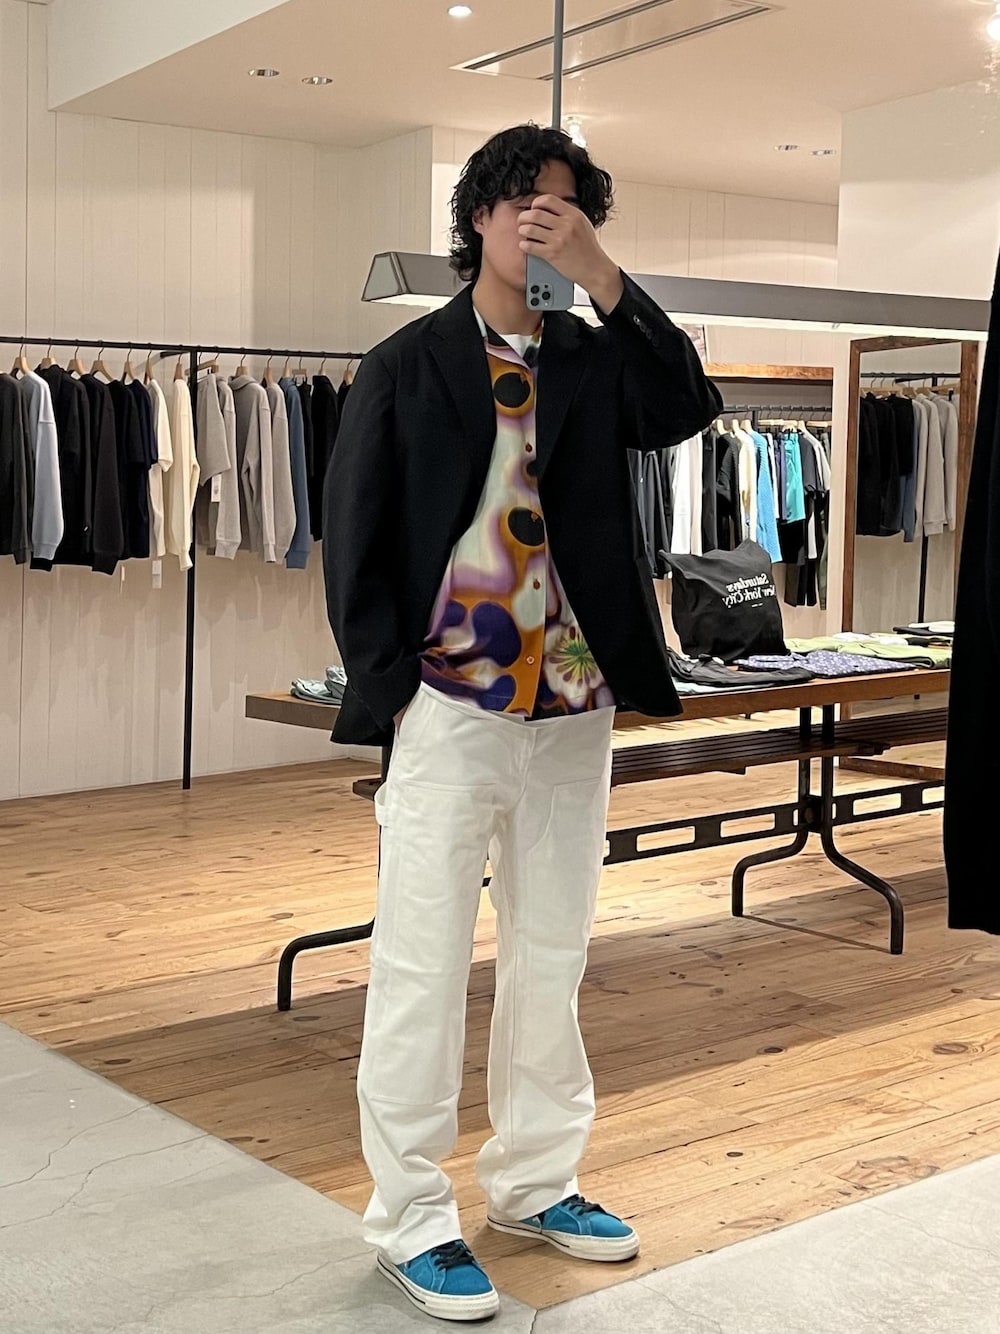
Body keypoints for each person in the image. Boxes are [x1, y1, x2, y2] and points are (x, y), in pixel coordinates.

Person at [323, 123, 722, 1323]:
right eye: (519, 202)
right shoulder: (407, 362)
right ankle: (410, 1215)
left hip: (576, 701)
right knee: (422, 960)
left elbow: (687, 403)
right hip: (449, 704)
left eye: (562, 206)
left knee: (553, 953)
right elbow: (355, 535)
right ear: (477, 218)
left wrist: (604, 279)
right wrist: (392, 682)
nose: (539, 221)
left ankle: (536, 1180)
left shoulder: (594, 359)